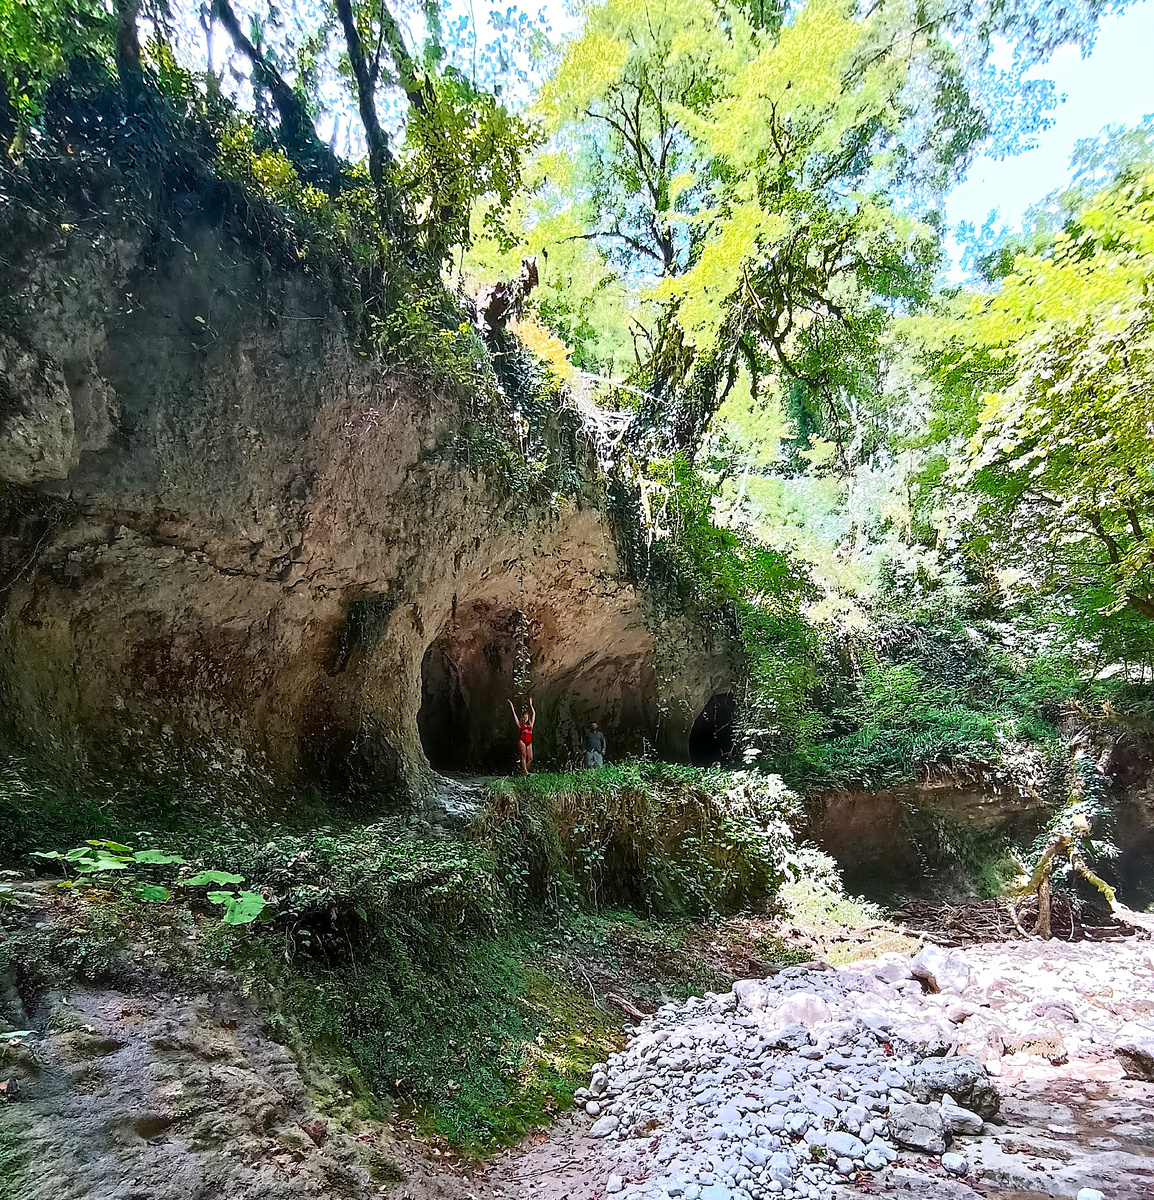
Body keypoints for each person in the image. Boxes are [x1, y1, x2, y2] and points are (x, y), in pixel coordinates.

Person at [508, 696, 535, 774]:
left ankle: (524, 770)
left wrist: (531, 705)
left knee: (530, 758)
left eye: (526, 717)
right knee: (523, 756)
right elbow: (514, 715)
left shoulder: (531, 725)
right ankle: (525, 772)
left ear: (528, 718)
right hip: (522, 741)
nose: (524, 719)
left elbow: (534, 714)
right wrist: (512, 707)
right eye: (523, 717)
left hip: (529, 742)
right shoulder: (520, 725)